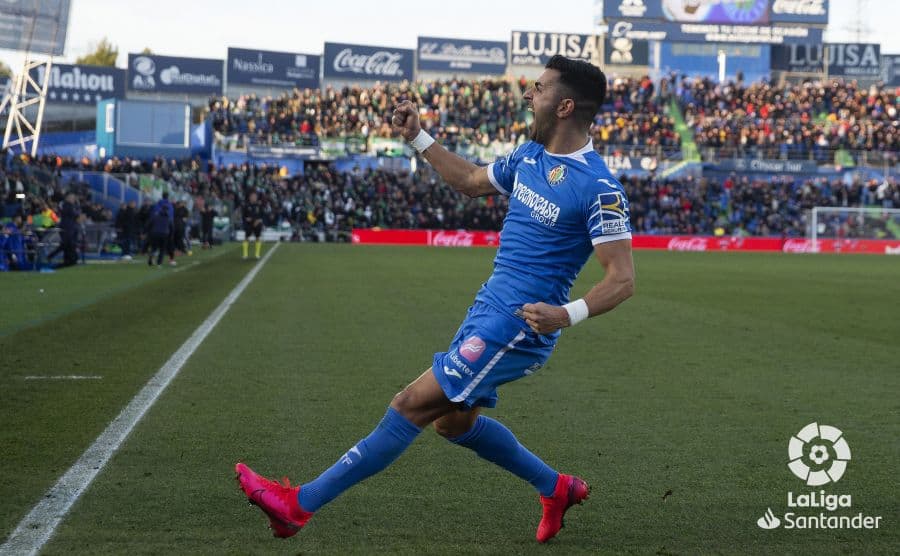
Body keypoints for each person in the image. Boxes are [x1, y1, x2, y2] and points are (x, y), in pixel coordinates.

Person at [236, 55, 636, 544]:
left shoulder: (598, 187)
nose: (528, 95)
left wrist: (565, 314)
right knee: (452, 422)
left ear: (565, 105)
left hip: (517, 326)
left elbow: (621, 279)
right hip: (487, 308)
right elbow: (469, 181)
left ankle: (296, 506)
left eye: (540, 88)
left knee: (410, 406)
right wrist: (418, 138)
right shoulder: (527, 156)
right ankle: (556, 488)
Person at [146, 202, 172, 267]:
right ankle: (159, 263)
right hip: (164, 234)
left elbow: (149, 224)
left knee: (154, 248)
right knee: (162, 249)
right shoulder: (168, 218)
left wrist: (146, 232)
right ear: (167, 210)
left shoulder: (155, 216)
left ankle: (150, 259)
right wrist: (171, 236)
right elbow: (171, 227)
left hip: (155, 234)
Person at [242, 191, 263, 259]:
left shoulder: (259, 206)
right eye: (253, 196)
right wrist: (246, 219)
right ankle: (245, 254)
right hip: (249, 224)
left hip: (257, 223)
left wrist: (258, 220)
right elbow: (244, 216)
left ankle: (257, 254)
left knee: (257, 237)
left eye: (255, 197)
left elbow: (262, 215)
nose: (254, 198)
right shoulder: (246, 205)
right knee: (246, 237)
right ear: (250, 197)